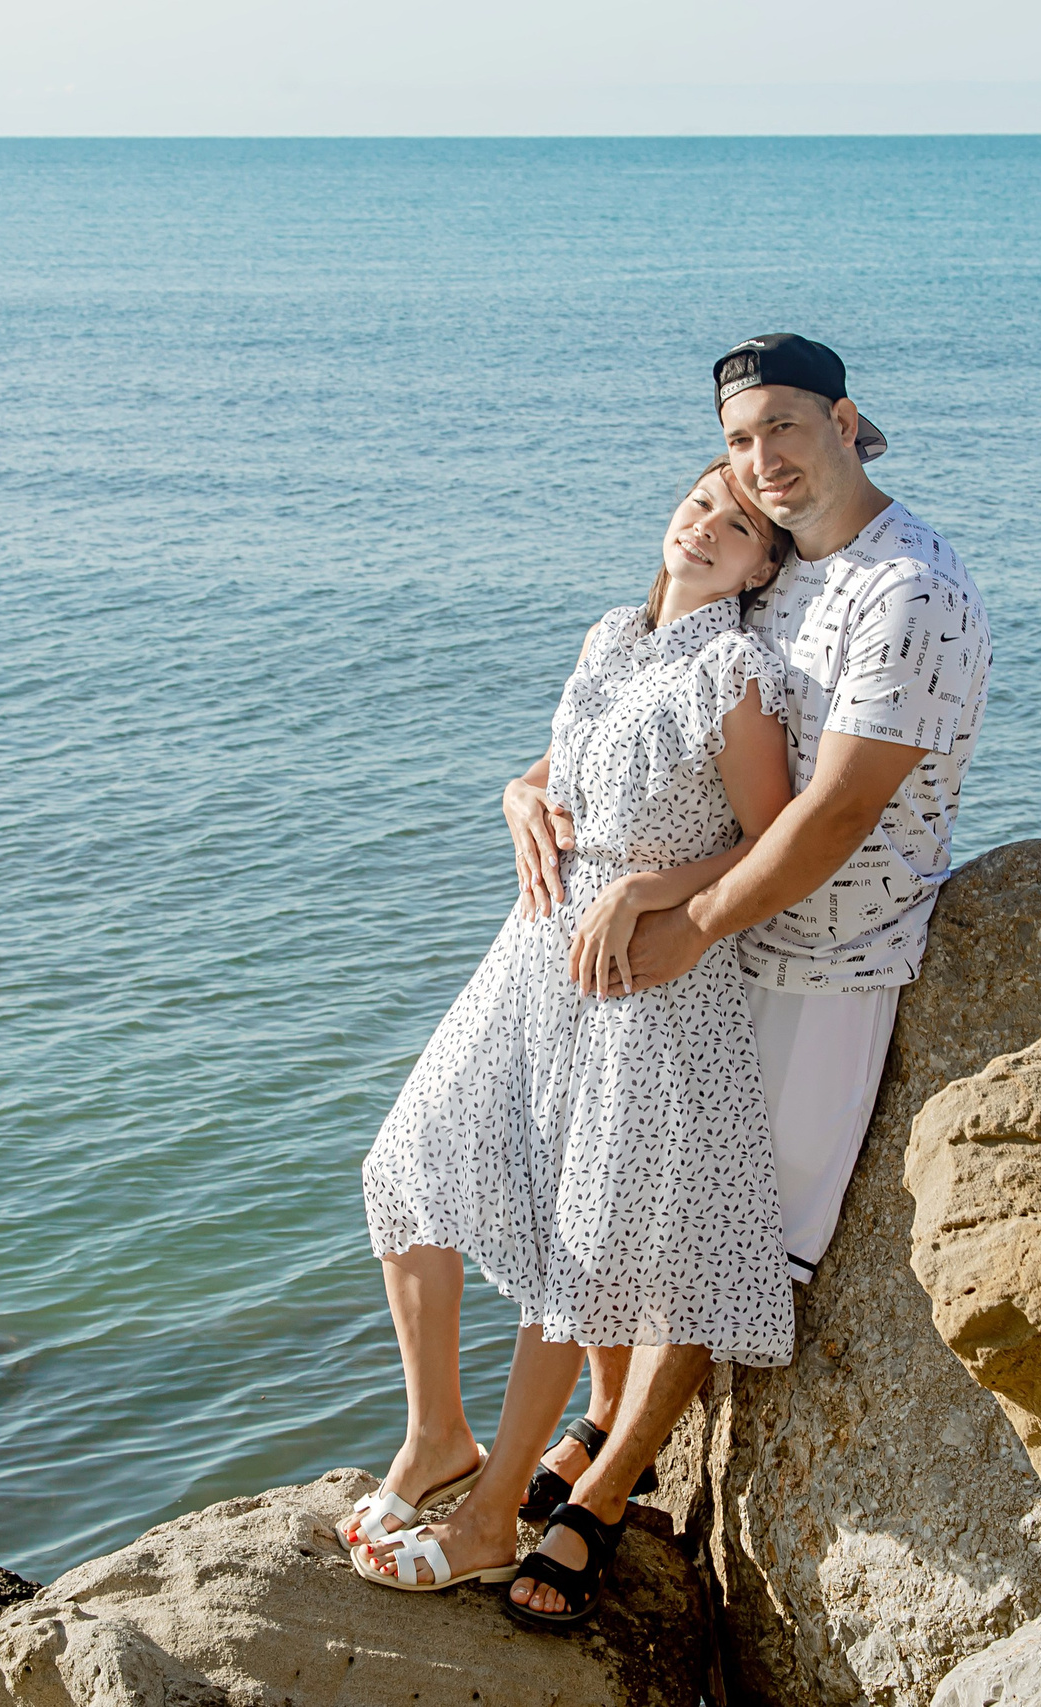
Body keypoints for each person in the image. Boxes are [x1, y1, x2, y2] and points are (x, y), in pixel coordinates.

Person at [500, 333, 992, 1621]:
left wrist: (692, 914)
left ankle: (607, 1499)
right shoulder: (773, 573)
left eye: (782, 427)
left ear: (844, 420)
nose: (758, 460)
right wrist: (526, 791)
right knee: (624, 1190)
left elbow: (833, 817)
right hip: (715, 940)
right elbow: (649, 712)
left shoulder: (910, 591)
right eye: (735, 440)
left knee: (737, 1236)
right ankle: (607, 1424)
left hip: (828, 960)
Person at [346, 456, 801, 1619]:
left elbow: (774, 842)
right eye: (699, 501)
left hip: (637, 975)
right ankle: (436, 1436)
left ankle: (497, 1511)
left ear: (762, 566)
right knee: (404, 1165)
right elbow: (561, 772)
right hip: (532, 947)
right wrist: (516, 795)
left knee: (575, 1243)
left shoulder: (734, 672)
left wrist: (650, 887)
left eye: (737, 524)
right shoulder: (613, 635)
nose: (704, 525)